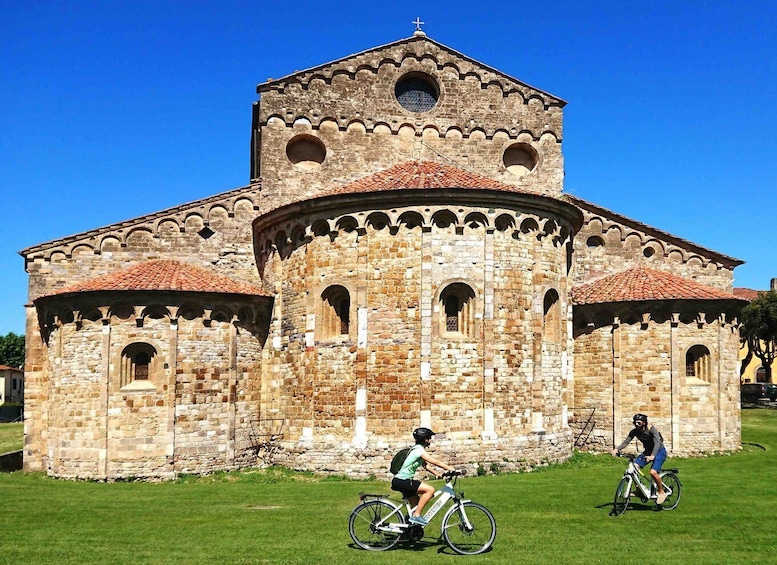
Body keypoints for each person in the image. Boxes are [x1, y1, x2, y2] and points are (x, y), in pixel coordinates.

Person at [391, 427, 455, 526]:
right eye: (429, 438)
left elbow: (426, 466)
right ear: (425, 439)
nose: (430, 441)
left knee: (416, 504)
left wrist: (437, 474)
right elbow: (434, 461)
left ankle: (408, 529)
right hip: (403, 481)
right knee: (430, 490)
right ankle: (416, 516)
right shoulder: (419, 450)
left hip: (400, 481)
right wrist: (450, 468)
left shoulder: (415, 449)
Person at [612, 413, 669, 505]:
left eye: (638, 423)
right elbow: (626, 441)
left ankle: (661, 492)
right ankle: (639, 490)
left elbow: (657, 443)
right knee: (633, 468)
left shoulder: (651, 429)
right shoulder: (635, 432)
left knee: (653, 472)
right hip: (647, 452)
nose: (636, 424)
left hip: (659, 452)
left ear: (644, 423)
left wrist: (652, 456)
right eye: (635, 423)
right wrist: (617, 449)